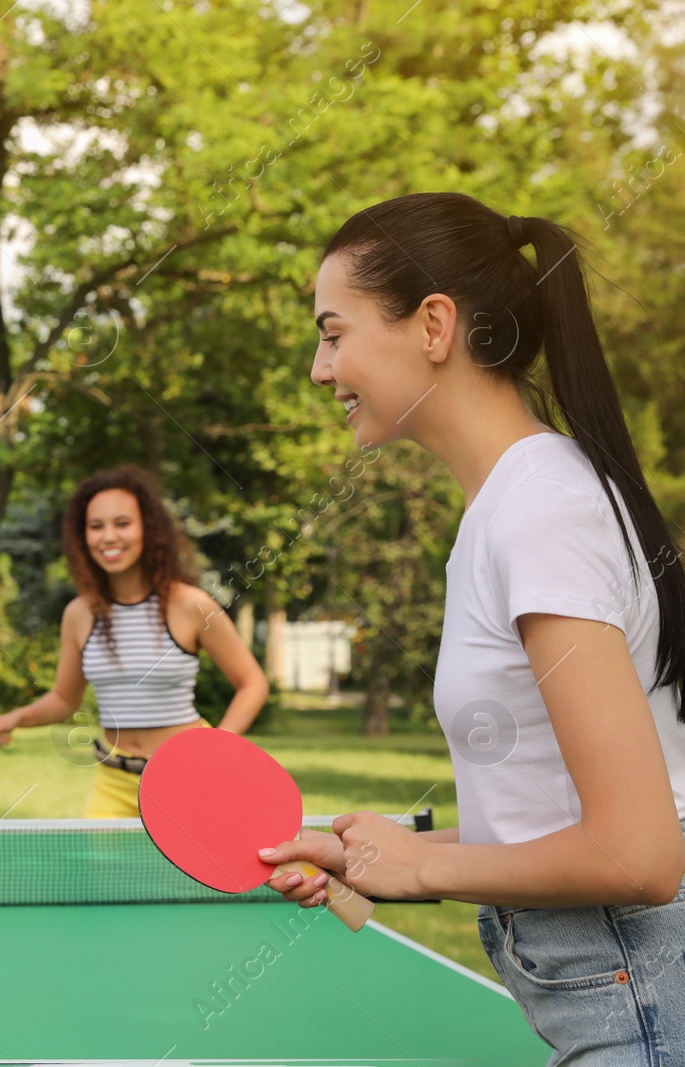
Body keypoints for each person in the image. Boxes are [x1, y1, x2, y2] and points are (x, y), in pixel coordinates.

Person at [266, 192, 685, 1061]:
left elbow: (640, 854)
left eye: (333, 332)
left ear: (433, 324)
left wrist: (419, 866)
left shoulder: (540, 512)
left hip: (636, 990)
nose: (319, 367)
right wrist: (372, 850)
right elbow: (557, 818)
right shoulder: (518, 504)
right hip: (623, 987)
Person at [0, 467, 268, 816]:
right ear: (82, 536)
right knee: (107, 873)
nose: (108, 537)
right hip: (112, 780)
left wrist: (217, 750)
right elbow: (64, 698)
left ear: (148, 530)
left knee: (187, 874)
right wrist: (13, 719)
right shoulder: (79, 613)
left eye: (122, 523)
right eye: (96, 526)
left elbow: (252, 683)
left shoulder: (190, 605)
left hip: (188, 777)